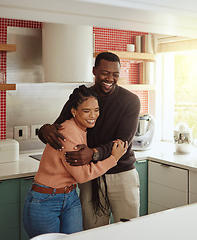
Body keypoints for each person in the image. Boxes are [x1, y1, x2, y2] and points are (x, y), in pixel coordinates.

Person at [38, 52, 141, 229]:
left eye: (115, 74)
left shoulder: (130, 101)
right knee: (92, 231)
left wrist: (94, 153)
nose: (110, 78)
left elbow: (123, 142)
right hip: (91, 177)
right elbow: (56, 130)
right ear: (94, 71)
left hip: (121, 174)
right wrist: (44, 130)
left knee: (129, 230)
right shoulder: (81, 97)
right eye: (105, 73)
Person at [23, 85, 128, 238]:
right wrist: (114, 158)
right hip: (45, 200)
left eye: (96, 110)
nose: (93, 115)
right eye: (86, 111)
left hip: (70, 197)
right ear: (74, 111)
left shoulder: (82, 129)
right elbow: (83, 175)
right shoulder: (68, 133)